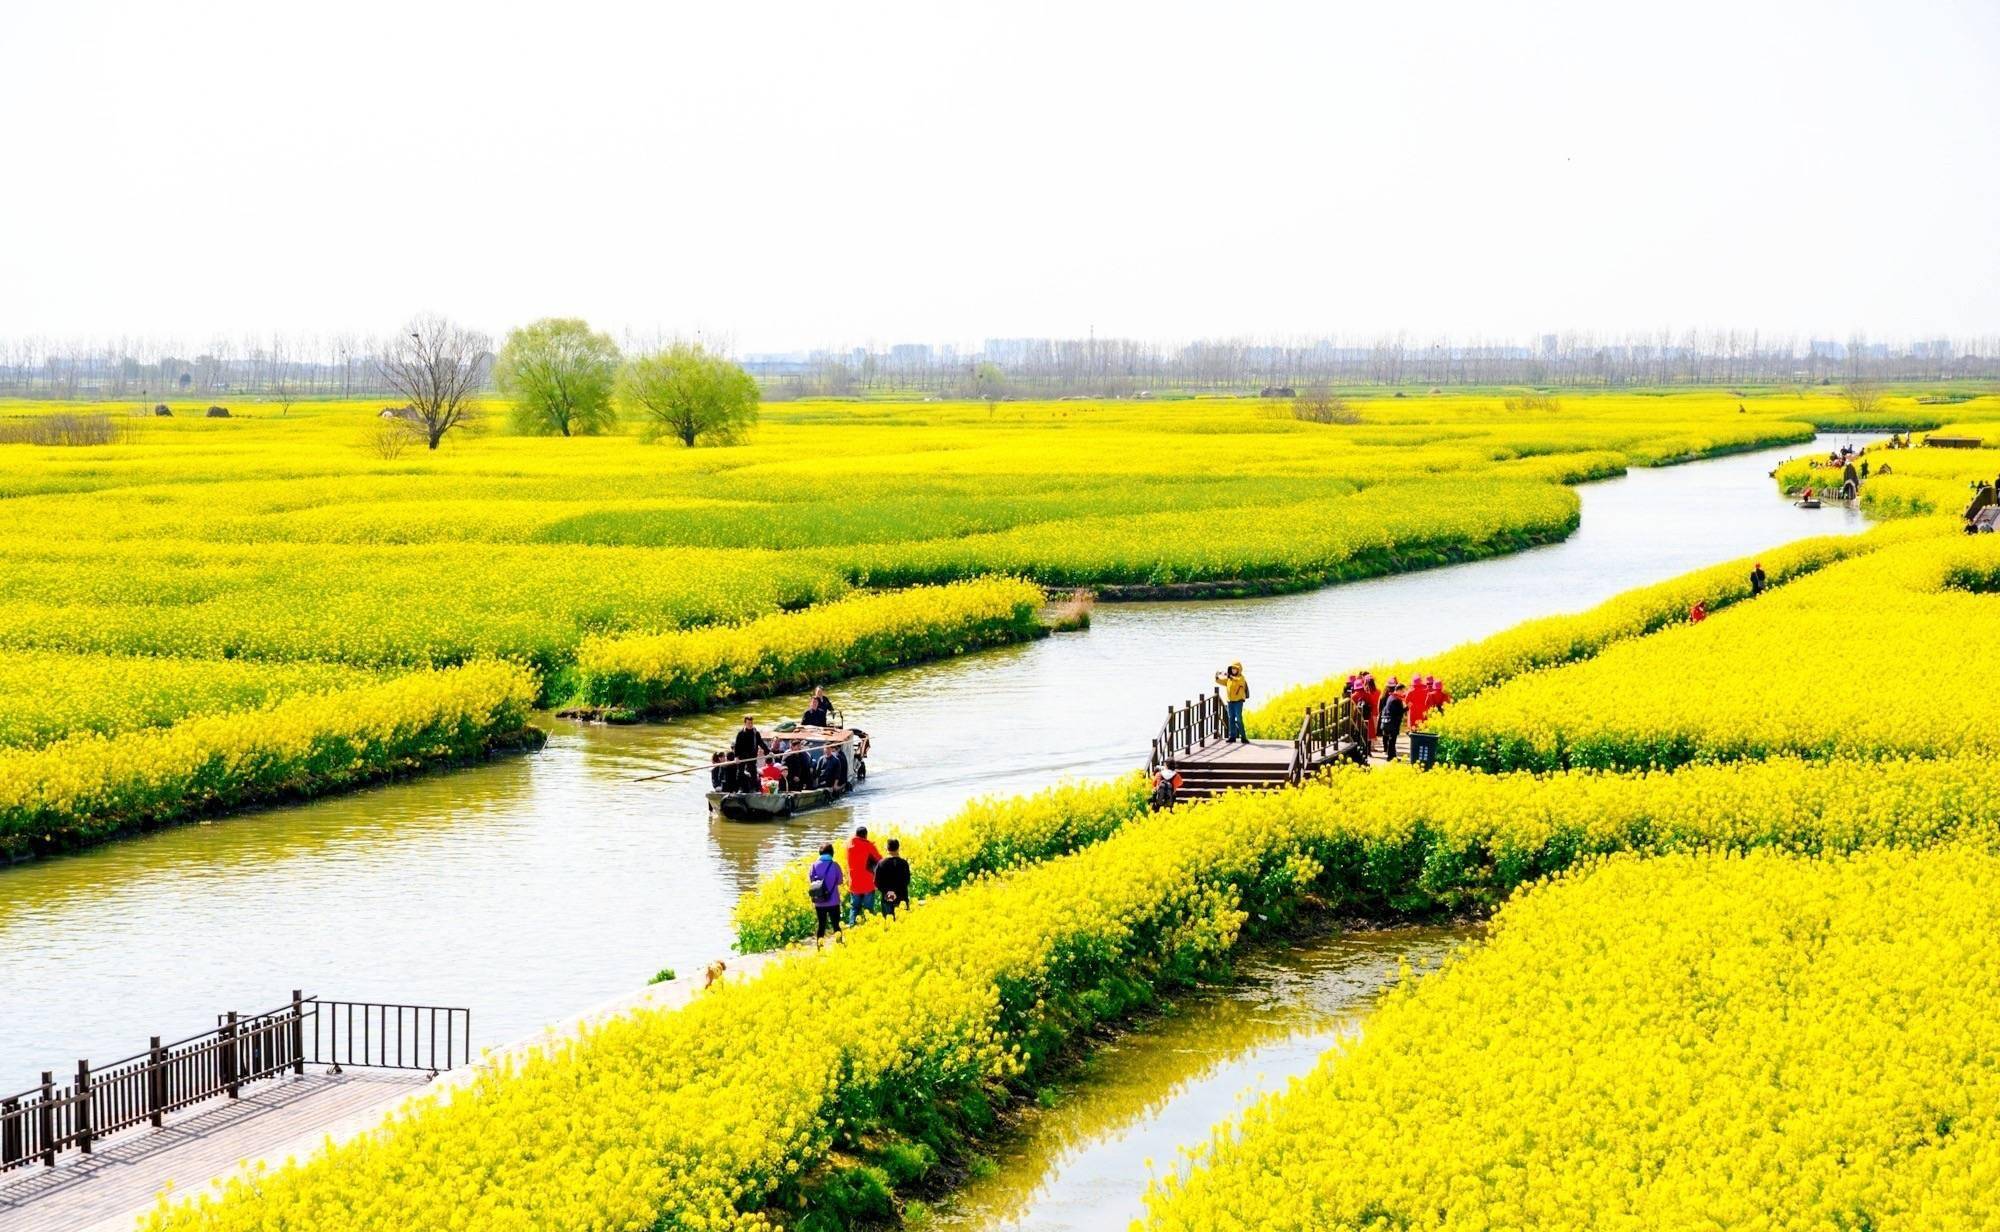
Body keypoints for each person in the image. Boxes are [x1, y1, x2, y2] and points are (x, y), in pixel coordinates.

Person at [807, 844, 843, 945]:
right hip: (833, 901)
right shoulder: (835, 865)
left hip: (819, 900)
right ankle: (839, 944)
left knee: (821, 925)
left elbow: (812, 881)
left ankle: (820, 947)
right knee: (836, 924)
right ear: (832, 853)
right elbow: (840, 881)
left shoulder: (814, 865)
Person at [845, 826, 881, 922]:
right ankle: (868, 928)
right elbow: (879, 860)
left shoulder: (849, 846)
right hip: (867, 883)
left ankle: (852, 927)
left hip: (854, 884)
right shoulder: (868, 845)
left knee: (854, 908)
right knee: (868, 909)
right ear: (865, 835)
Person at [731, 717, 770, 793]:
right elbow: (737, 746)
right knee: (740, 773)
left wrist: (768, 752)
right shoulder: (740, 733)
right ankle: (738, 789)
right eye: (748, 723)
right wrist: (736, 757)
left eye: (751, 723)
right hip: (742, 756)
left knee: (753, 772)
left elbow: (761, 743)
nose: (750, 725)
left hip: (752, 756)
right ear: (745, 723)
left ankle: (754, 789)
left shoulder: (756, 733)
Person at [875, 838, 912, 918]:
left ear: (887, 849)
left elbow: (877, 882)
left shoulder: (881, 863)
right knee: (903, 922)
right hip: (902, 896)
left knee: (889, 922)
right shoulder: (904, 863)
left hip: (888, 896)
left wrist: (888, 892)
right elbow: (907, 880)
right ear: (898, 848)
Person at [1215, 663, 1250, 742]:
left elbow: (1238, 681)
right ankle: (1232, 736)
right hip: (1230, 701)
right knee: (1231, 718)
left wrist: (1229, 676)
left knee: (1239, 718)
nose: (1233, 670)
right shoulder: (1229, 679)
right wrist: (1217, 676)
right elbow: (1220, 681)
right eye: (1232, 669)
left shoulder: (1241, 678)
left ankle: (1243, 737)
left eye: (1235, 669)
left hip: (1238, 701)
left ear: (1239, 670)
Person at [1379, 679, 1408, 760]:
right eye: (1402, 691)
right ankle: (1390, 757)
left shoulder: (1391, 696)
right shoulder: (1396, 699)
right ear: (1398, 690)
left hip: (1389, 722)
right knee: (1392, 740)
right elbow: (1398, 712)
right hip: (1393, 723)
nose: (1403, 692)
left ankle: (1393, 756)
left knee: (1391, 740)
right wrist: (1407, 708)